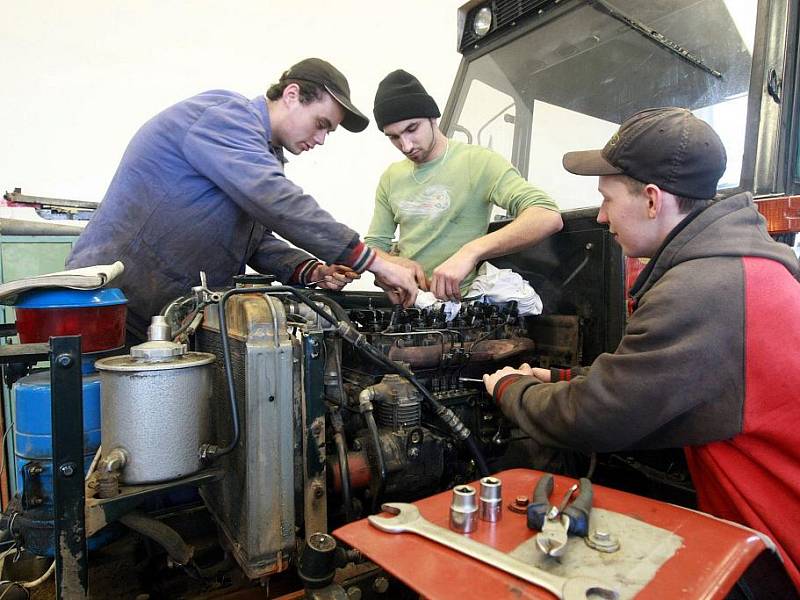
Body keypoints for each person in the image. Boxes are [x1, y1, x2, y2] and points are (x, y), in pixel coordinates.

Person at [483, 107, 800, 588]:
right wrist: (560, 378)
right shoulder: (737, 267)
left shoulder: (702, 289)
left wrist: (509, 388)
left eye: (607, 199)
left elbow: (598, 418)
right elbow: (664, 382)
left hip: (776, 558)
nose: (600, 216)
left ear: (653, 200)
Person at [67, 58, 418, 340]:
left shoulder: (261, 153)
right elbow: (277, 201)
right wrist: (374, 262)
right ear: (292, 95)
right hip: (109, 306)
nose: (322, 139)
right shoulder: (226, 117)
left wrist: (311, 269)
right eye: (321, 123)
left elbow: (252, 240)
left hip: (162, 317)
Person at [364, 70, 562, 302]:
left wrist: (471, 252)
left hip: (465, 307)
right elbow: (374, 246)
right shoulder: (391, 177)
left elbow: (547, 216)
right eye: (394, 137)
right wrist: (393, 264)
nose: (406, 146)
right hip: (411, 307)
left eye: (411, 129)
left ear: (432, 118)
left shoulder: (478, 162)